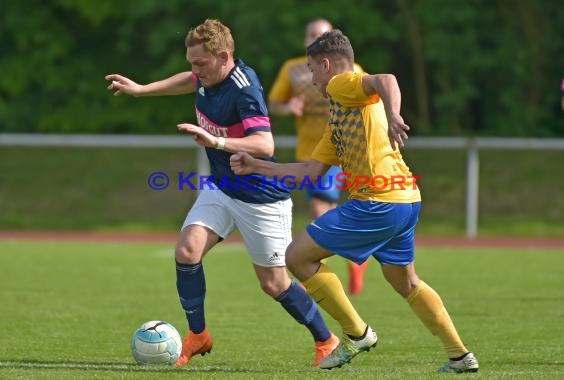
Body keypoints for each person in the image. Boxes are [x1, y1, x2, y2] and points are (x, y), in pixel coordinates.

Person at [230, 29, 479, 373]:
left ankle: (357, 333)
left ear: (327, 65)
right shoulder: (341, 116)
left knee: (297, 257)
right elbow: (310, 172)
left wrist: (394, 116)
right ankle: (459, 355)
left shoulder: (340, 84)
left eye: (312, 70)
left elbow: (386, 79)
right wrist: (256, 165)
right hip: (405, 199)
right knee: (406, 282)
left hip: (378, 200)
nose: (312, 79)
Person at [105, 19, 339, 368]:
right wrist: (142, 89)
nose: (194, 70)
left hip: (260, 196)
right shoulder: (205, 75)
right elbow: (190, 81)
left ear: (224, 56)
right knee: (186, 251)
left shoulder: (244, 88)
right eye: (191, 63)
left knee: (274, 284)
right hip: (221, 187)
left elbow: (265, 143)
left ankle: (327, 340)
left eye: (200, 63)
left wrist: (217, 141)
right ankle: (198, 335)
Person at [268, 18, 369, 296]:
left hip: (339, 152)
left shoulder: (351, 70)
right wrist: (289, 107)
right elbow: (273, 104)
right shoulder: (292, 69)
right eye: (311, 34)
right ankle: (353, 255)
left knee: (319, 207)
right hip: (309, 153)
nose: (315, 38)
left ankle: (313, 265)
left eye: (321, 35)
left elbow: (370, 97)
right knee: (324, 206)